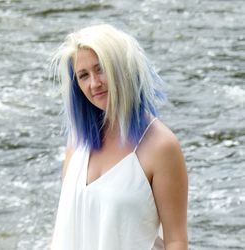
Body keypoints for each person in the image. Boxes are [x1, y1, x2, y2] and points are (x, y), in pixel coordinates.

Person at [51, 24, 188, 250]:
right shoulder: (76, 143)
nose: (94, 83)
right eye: (83, 75)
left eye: (101, 68)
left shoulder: (161, 147)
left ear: (121, 68)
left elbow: (176, 241)